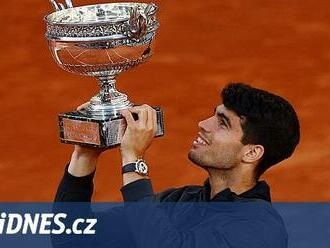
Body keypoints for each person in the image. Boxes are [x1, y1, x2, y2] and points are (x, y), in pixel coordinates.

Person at [54, 83, 300, 248]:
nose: (204, 124)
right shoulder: (179, 202)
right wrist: (85, 156)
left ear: (252, 152)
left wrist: (134, 159)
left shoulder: (259, 229)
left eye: (223, 123)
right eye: (213, 114)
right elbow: (73, 239)